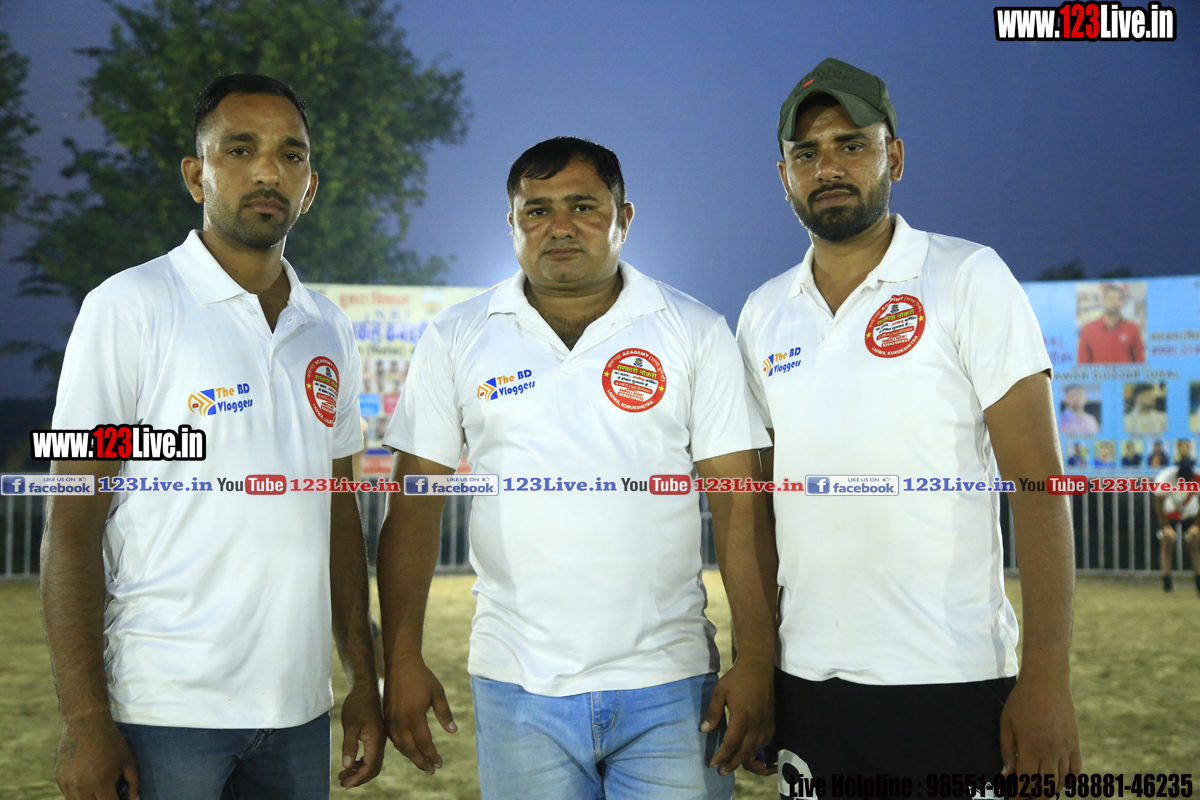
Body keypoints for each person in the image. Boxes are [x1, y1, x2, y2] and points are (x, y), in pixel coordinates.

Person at [376, 137, 777, 799]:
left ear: (625, 218)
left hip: (672, 682)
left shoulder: (695, 330)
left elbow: (740, 503)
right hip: (515, 683)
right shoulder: (457, 335)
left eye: (583, 206)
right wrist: (401, 658)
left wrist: (757, 657)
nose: (559, 226)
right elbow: (414, 508)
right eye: (537, 211)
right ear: (512, 224)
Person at [736, 58, 1081, 787]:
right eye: (807, 154)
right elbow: (756, 510)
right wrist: (759, 662)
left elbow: (1040, 485)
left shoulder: (967, 276)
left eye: (851, 145)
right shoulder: (764, 313)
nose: (828, 168)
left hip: (950, 677)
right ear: (784, 176)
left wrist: (1047, 679)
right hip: (809, 682)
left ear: (893, 156)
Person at [43, 74, 383, 800]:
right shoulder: (129, 306)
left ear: (310, 187)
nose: (268, 171)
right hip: (164, 709)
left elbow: (338, 511)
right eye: (240, 149)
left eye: (291, 155)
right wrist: (84, 716)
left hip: (299, 712)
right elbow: (73, 521)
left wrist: (363, 676)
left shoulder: (327, 327)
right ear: (197, 175)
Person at [1152, 456, 1200, 594]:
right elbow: (1158, 504)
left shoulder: (1198, 477)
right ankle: (1167, 582)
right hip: (1168, 512)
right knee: (1167, 543)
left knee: (1194, 544)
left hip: (1190, 512)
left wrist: (1196, 525)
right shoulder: (1164, 479)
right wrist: (1165, 526)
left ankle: (1198, 581)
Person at [1077, 283, 1145, 363]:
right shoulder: (1089, 329)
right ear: (1104, 301)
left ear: (1123, 302)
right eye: (1110, 298)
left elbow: (1140, 361)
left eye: (1118, 299)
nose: (1114, 302)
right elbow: (1083, 363)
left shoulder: (1132, 328)